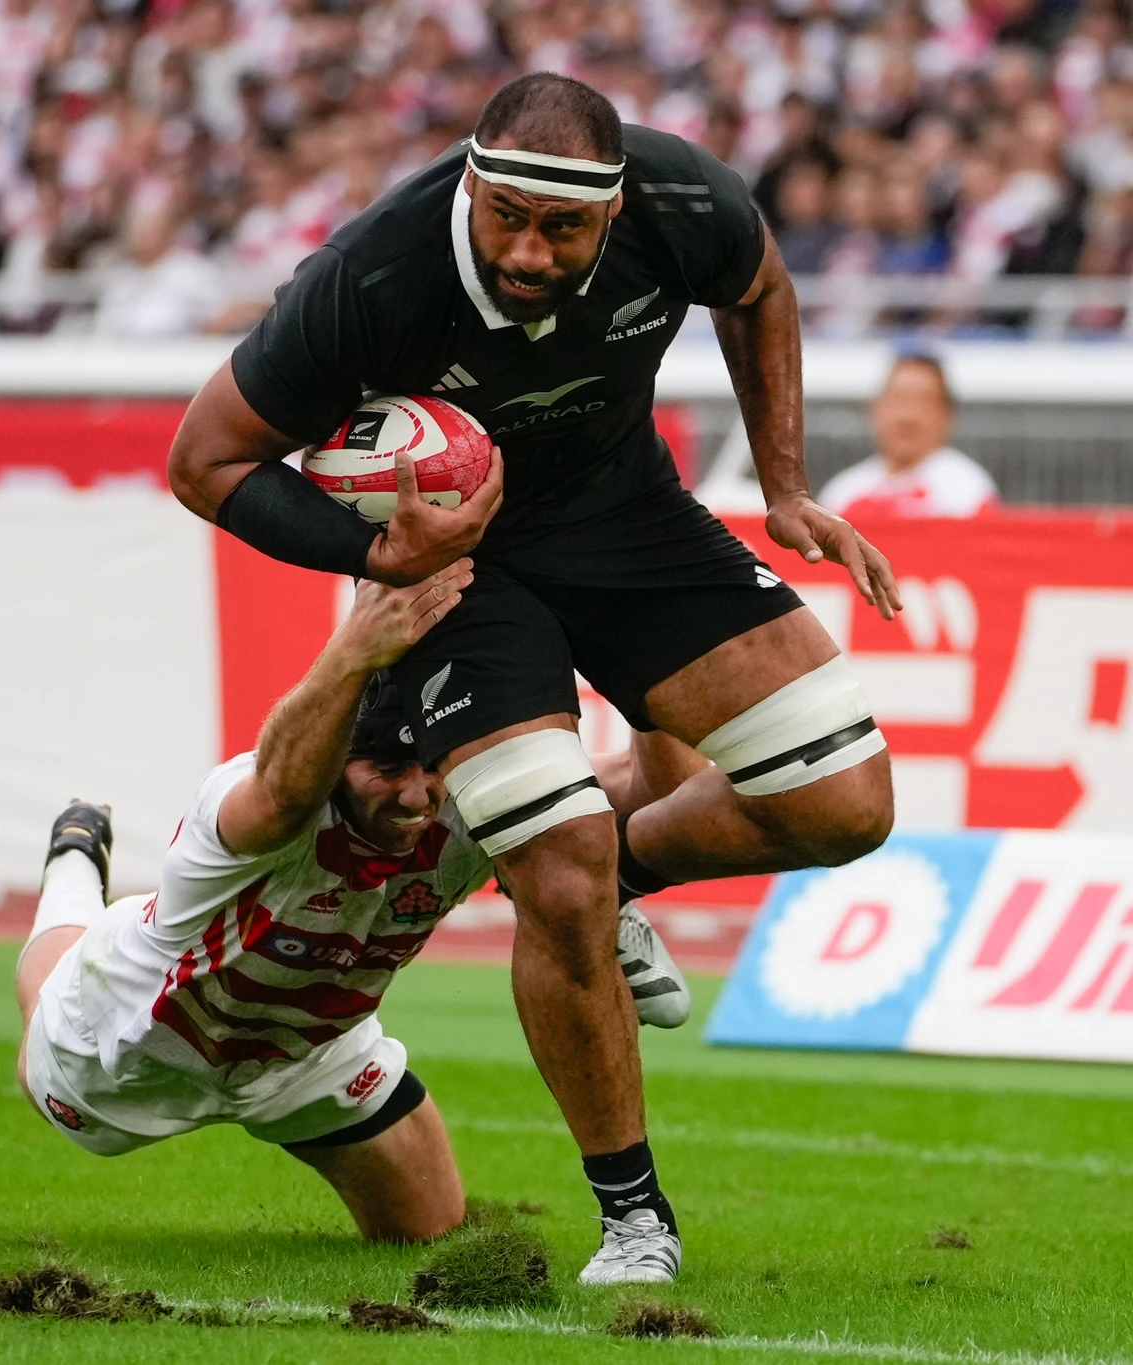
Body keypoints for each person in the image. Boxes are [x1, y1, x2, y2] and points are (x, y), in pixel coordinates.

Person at [166, 72, 899, 1285]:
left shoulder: (682, 198)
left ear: (611, 213)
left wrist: (781, 482)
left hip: (626, 514)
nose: (525, 247)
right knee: (553, 873)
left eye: (560, 227)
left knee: (844, 807)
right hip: (458, 572)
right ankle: (633, 1219)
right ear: (470, 182)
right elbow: (204, 461)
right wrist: (373, 554)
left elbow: (759, 285)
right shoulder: (369, 279)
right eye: (505, 213)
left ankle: (624, 872)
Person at [16, 562, 690, 1247]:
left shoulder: (481, 795)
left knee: (430, 1231)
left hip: (309, 1056)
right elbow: (283, 788)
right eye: (387, 767)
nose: (414, 794)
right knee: (53, 986)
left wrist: (635, 662)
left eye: (429, 764)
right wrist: (358, 646)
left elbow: (656, 787)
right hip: (130, 1044)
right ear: (339, 757)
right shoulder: (259, 799)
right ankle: (73, 858)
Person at [819, 354, 997, 519]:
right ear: (874, 410)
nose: (907, 416)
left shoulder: (967, 491)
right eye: (898, 399)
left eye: (923, 402)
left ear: (947, 415)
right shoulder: (843, 492)